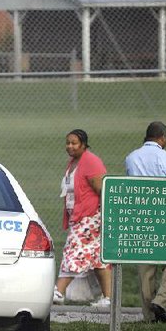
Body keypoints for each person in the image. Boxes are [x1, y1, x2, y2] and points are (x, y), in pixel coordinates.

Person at [125, 121, 166, 323]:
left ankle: (149, 317)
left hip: (141, 219)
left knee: (145, 268)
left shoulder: (131, 158)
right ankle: (161, 301)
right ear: (162, 138)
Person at [53, 129, 111, 307]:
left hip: (90, 218)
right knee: (97, 259)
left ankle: (59, 292)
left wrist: (102, 216)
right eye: (68, 142)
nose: (69, 146)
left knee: (73, 251)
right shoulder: (73, 162)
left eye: (74, 143)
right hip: (79, 217)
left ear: (84, 145)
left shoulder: (91, 162)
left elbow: (102, 189)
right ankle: (108, 299)